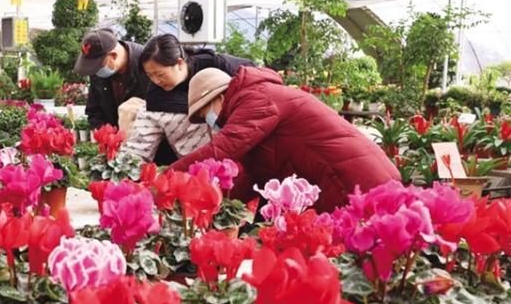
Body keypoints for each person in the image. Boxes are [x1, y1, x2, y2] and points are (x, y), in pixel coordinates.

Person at [170, 66, 401, 213]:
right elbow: (255, 176)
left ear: (218, 98)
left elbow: (224, 147)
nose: (210, 122)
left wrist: (167, 178)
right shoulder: (254, 105)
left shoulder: (256, 99)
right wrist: (211, 202)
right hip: (353, 178)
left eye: (206, 115)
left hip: (352, 181)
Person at [122, 34, 256, 165]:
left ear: (179, 63)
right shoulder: (155, 100)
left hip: (241, 154)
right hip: (196, 165)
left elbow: (254, 88)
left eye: (160, 74)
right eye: (150, 75)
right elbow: (139, 147)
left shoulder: (218, 65)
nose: (156, 81)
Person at [74, 28, 150, 130]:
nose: (94, 70)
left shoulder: (148, 63)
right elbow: (94, 111)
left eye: (97, 65)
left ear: (113, 56)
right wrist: (108, 134)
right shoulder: (97, 72)